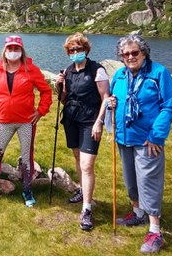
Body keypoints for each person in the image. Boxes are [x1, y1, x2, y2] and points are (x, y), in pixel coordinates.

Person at [106, 34, 172, 254]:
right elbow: (114, 98)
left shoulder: (159, 73)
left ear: (144, 52)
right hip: (124, 137)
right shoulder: (119, 75)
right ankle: (137, 214)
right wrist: (111, 103)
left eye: (134, 52)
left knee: (149, 181)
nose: (130, 57)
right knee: (131, 180)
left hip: (148, 140)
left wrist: (157, 135)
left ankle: (155, 230)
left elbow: (169, 107)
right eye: (125, 53)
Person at [0, 35, 52, 207]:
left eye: (16, 48)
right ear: (5, 50)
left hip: (26, 122)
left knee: (27, 157)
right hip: (3, 122)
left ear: (21, 50)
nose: (12, 51)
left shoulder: (31, 69)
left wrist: (41, 111)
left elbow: (46, 91)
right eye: (9, 48)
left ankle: (27, 191)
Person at [55, 32, 109, 231]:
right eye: (71, 50)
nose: (75, 52)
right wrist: (58, 86)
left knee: (87, 164)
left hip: (89, 121)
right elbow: (64, 99)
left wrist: (99, 122)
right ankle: (81, 189)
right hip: (71, 119)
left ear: (86, 50)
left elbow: (105, 97)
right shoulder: (68, 71)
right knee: (78, 158)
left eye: (79, 49)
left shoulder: (97, 70)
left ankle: (87, 208)